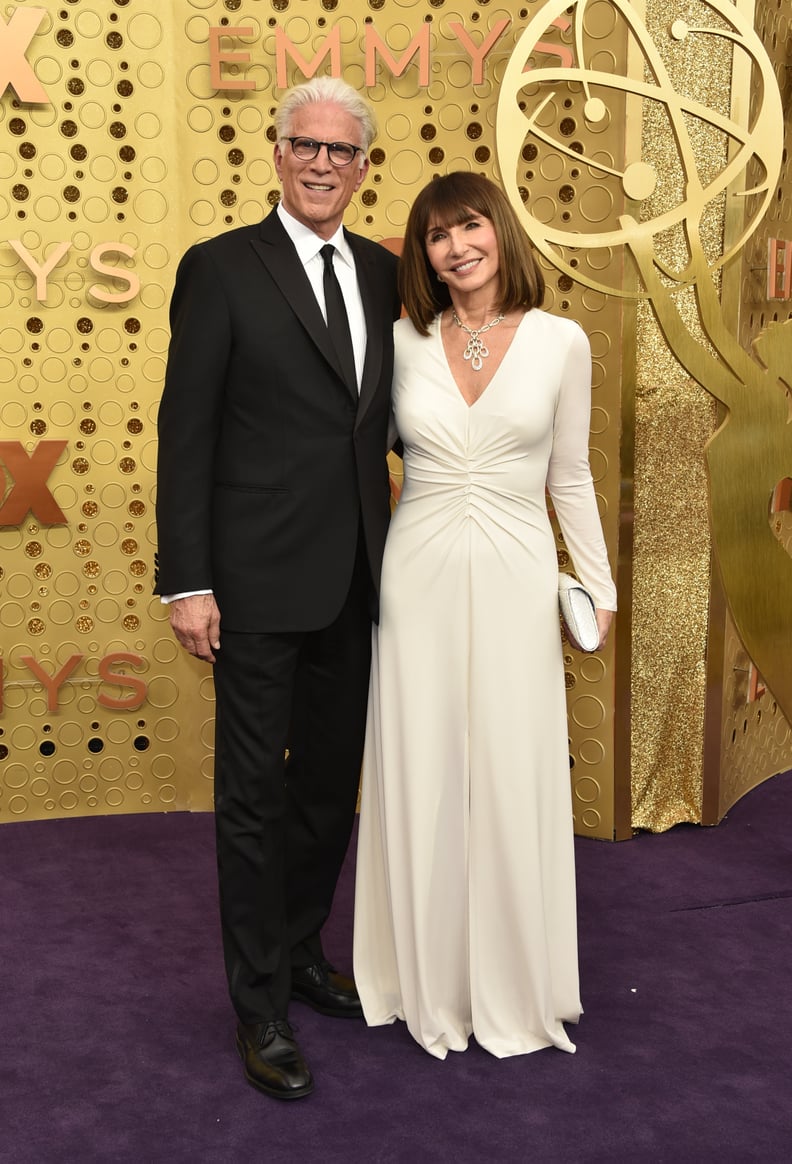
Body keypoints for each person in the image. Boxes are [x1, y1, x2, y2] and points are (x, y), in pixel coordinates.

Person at [155, 77, 400, 1100]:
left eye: (341, 152)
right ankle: (259, 1003)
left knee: (325, 791)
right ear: (276, 150)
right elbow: (187, 434)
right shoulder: (219, 269)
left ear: (362, 168)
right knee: (253, 798)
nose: (320, 164)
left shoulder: (389, 274)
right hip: (250, 585)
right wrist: (188, 581)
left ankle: (301, 950)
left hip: (356, 582)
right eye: (304, 144)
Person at [353, 172, 617, 1060]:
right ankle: (419, 976)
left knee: (509, 760)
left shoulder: (561, 342)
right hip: (416, 570)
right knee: (423, 758)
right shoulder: (397, 341)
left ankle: (512, 982)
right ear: (422, 254)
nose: (456, 246)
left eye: (469, 226)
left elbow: (570, 475)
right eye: (435, 236)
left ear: (499, 230)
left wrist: (599, 583)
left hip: (515, 567)